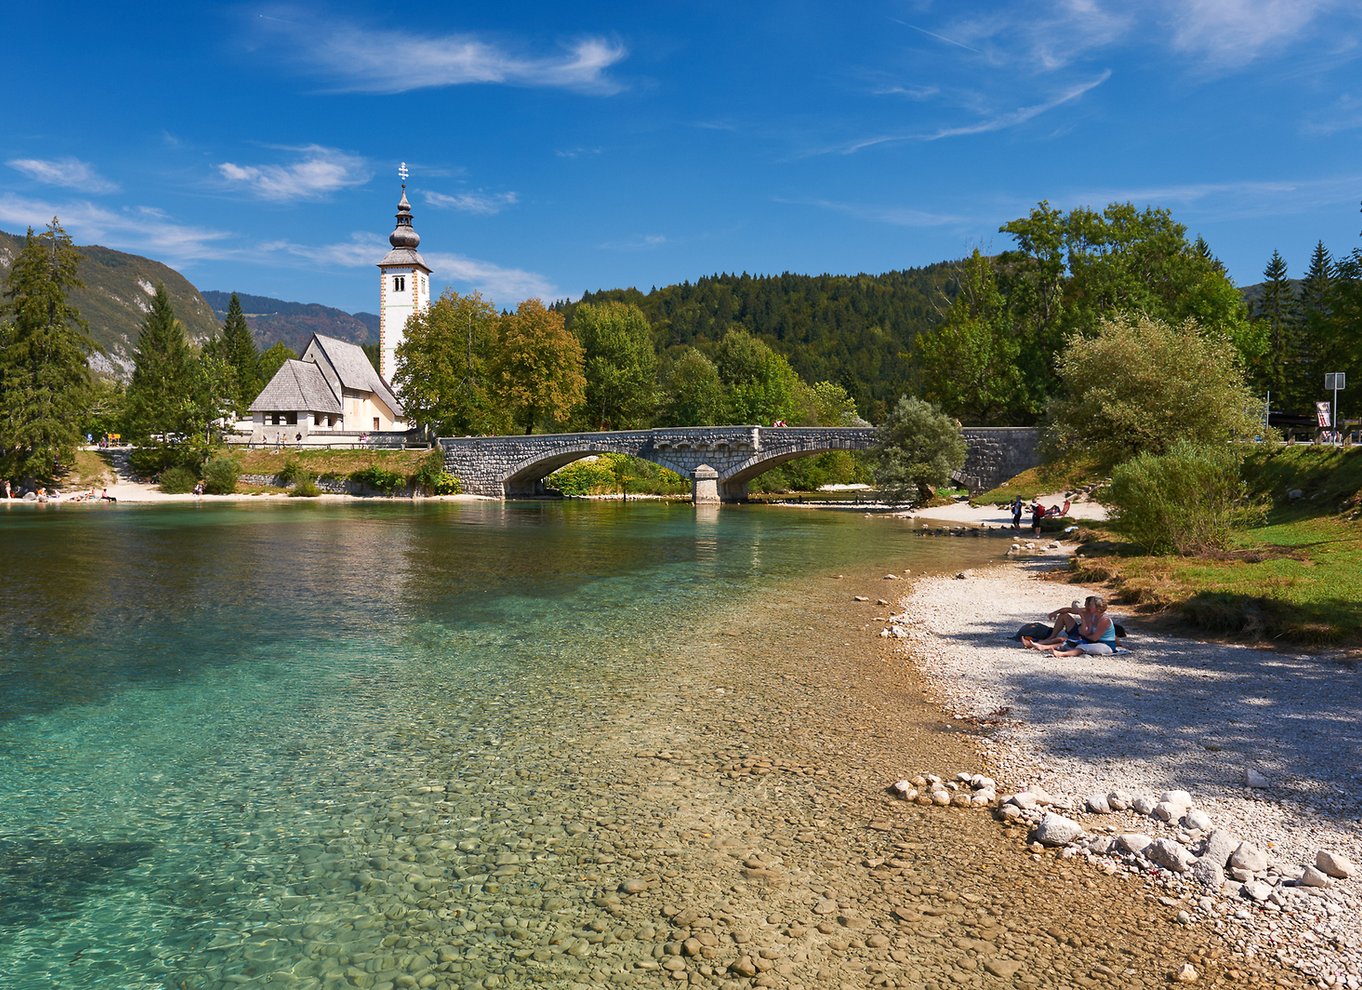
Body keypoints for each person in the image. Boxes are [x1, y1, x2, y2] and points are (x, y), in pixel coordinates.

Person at [1025, 596, 1117, 657]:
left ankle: (1061, 654)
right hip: (1092, 640)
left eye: (1090, 604)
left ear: (1097, 608)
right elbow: (1088, 632)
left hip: (1106, 645)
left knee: (1081, 647)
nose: (1088, 606)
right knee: (1070, 642)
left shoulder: (1104, 620)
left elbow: (1094, 638)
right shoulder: (1094, 616)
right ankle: (1041, 646)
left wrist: (1083, 634)